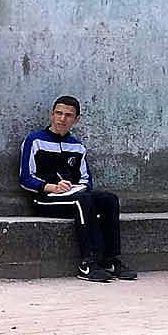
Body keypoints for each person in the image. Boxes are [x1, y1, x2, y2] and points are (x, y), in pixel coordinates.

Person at [19, 95, 134, 283]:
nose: (62, 119)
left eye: (68, 115)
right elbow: (25, 178)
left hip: (74, 195)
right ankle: (89, 262)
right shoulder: (34, 141)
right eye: (58, 113)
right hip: (45, 199)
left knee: (109, 199)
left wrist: (74, 187)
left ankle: (110, 260)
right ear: (52, 115)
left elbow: (87, 181)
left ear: (76, 119)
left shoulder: (77, 146)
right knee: (83, 200)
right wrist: (52, 187)